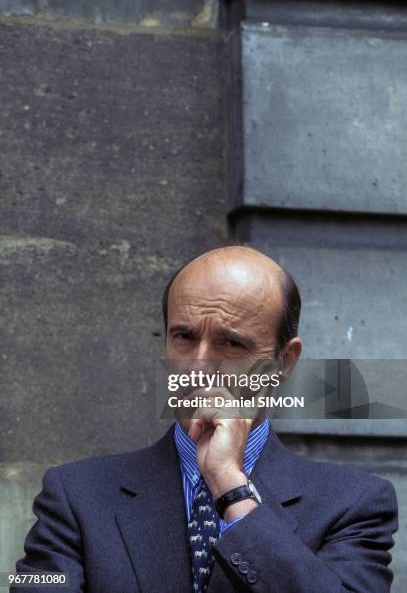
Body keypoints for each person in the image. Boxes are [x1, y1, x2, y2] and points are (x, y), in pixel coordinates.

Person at [15, 246, 398, 592]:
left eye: (231, 343)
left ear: (284, 362)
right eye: (183, 337)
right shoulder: (75, 494)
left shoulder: (354, 503)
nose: (199, 366)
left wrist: (233, 491)